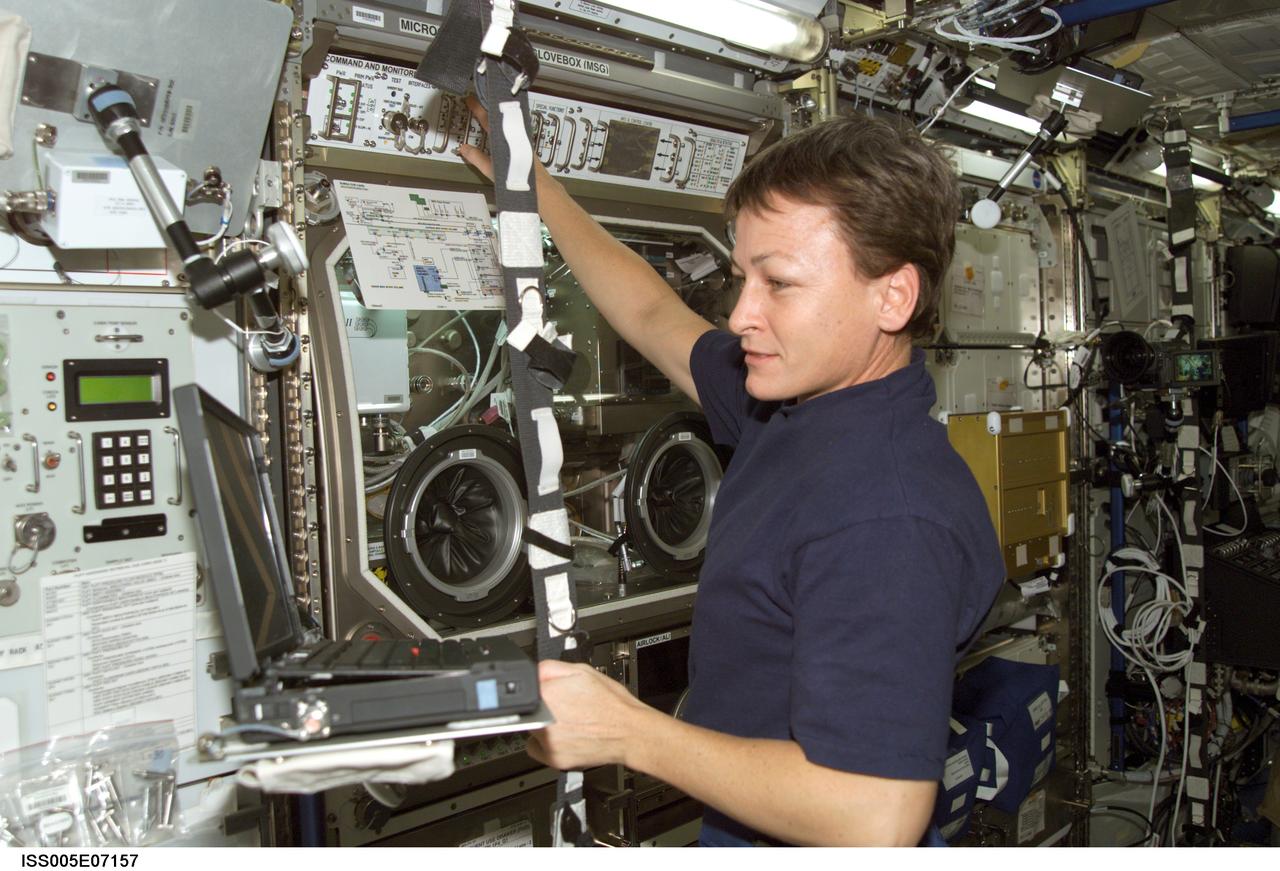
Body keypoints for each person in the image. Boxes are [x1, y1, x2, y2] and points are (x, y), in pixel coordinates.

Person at [461, 97, 1005, 847]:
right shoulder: (793, 405)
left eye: (778, 282)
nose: (741, 314)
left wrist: (627, 731)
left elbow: (875, 815)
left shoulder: (887, 516)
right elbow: (653, 316)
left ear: (893, 296)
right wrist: (536, 189)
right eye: (742, 276)